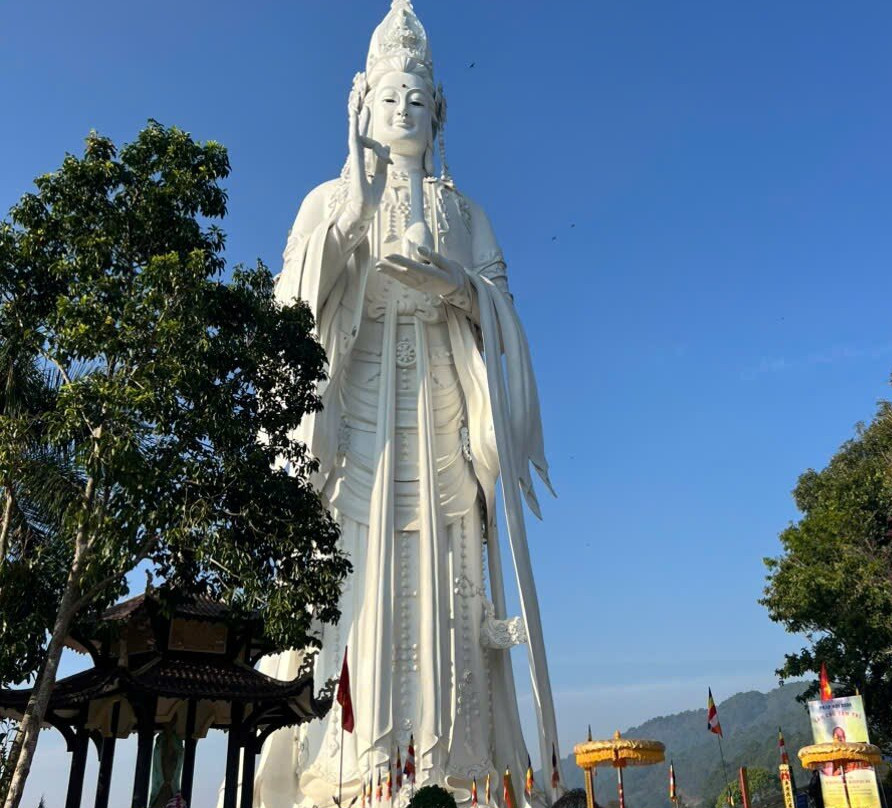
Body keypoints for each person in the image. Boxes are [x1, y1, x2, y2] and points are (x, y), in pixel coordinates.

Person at [253, 3, 559, 807]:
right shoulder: (326, 200)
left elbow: (506, 317)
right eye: (390, 98)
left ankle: (454, 772)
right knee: (351, 593)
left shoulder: (466, 215)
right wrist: (349, 224)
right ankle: (342, 772)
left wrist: (455, 286)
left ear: (440, 112)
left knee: (452, 597)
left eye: (418, 100)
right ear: (362, 106)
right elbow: (290, 313)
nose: (405, 111)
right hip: (357, 435)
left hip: (445, 430)